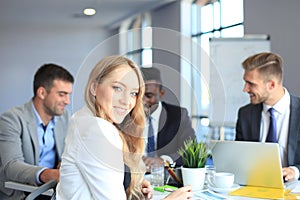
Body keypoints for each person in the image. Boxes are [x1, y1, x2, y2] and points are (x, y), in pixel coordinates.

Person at [56, 55, 193, 199]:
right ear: (94, 88)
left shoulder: (84, 118)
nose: (126, 101)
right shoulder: (98, 130)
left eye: (133, 93)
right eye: (117, 88)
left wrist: (130, 184)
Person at [0, 63, 74, 199]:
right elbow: (11, 166)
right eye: (62, 94)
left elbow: (69, 152)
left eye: (69, 95)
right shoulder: (11, 119)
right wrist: (49, 174)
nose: (67, 101)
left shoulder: (65, 118)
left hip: (52, 191)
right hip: (20, 193)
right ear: (42, 93)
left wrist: (66, 163)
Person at [235, 52, 300, 182]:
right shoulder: (245, 114)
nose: (245, 89)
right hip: (255, 188)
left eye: (251, 83)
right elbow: (239, 159)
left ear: (271, 85)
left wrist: (295, 171)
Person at [140, 67, 196, 168]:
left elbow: (190, 149)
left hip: (166, 177)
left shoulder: (178, 115)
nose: (142, 101)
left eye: (149, 95)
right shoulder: (126, 117)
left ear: (161, 94)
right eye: (138, 95)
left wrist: (163, 161)